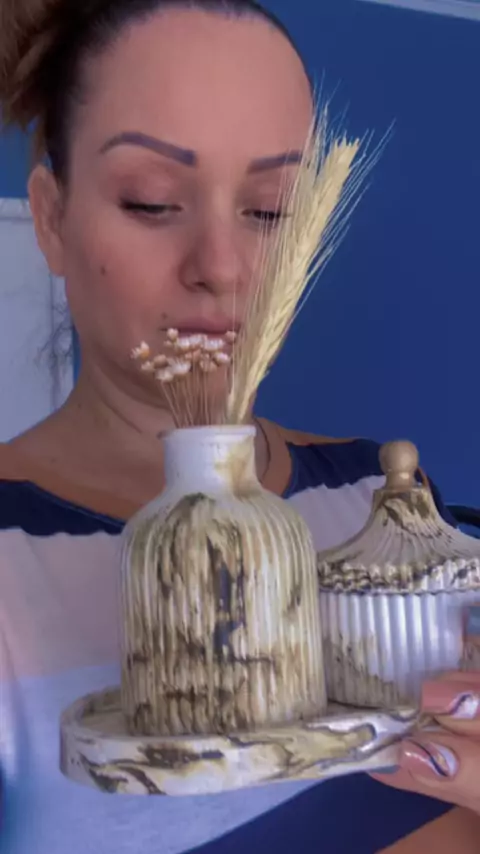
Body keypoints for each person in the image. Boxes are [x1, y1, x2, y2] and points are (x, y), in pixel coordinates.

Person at [0, 1, 479, 852]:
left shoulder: (386, 495)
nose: (220, 268)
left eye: (268, 210)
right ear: (51, 219)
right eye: (151, 201)